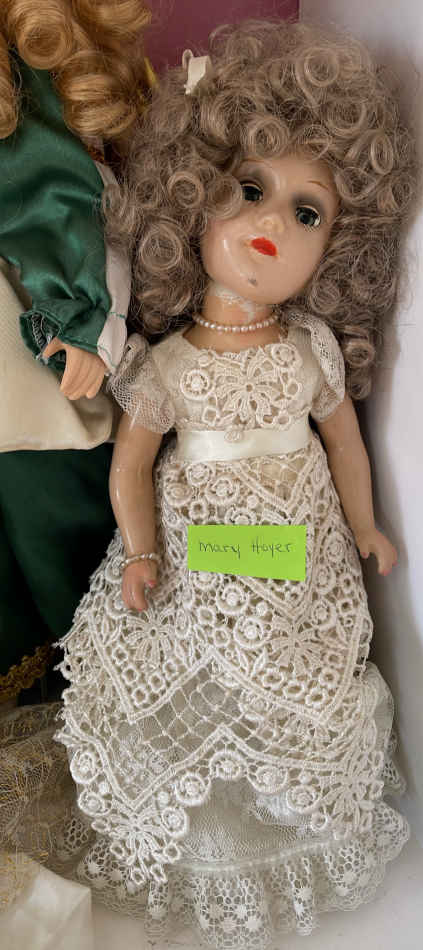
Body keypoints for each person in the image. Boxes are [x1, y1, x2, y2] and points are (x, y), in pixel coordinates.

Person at [55, 20, 419, 948]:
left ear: (337, 250)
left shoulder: (310, 350)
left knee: (300, 674)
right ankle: (202, 819)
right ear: (192, 200)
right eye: (250, 190)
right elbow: (132, 466)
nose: (272, 224)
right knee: (205, 656)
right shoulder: (168, 366)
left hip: (302, 554)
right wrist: (142, 552)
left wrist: (366, 525)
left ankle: (289, 804)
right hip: (199, 552)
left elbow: (344, 447)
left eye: (308, 213)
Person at [0, 0, 152, 705]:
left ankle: (97, 677)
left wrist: (89, 327)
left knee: (52, 512)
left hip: (35, 358)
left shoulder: (41, 109)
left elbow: (85, 216)